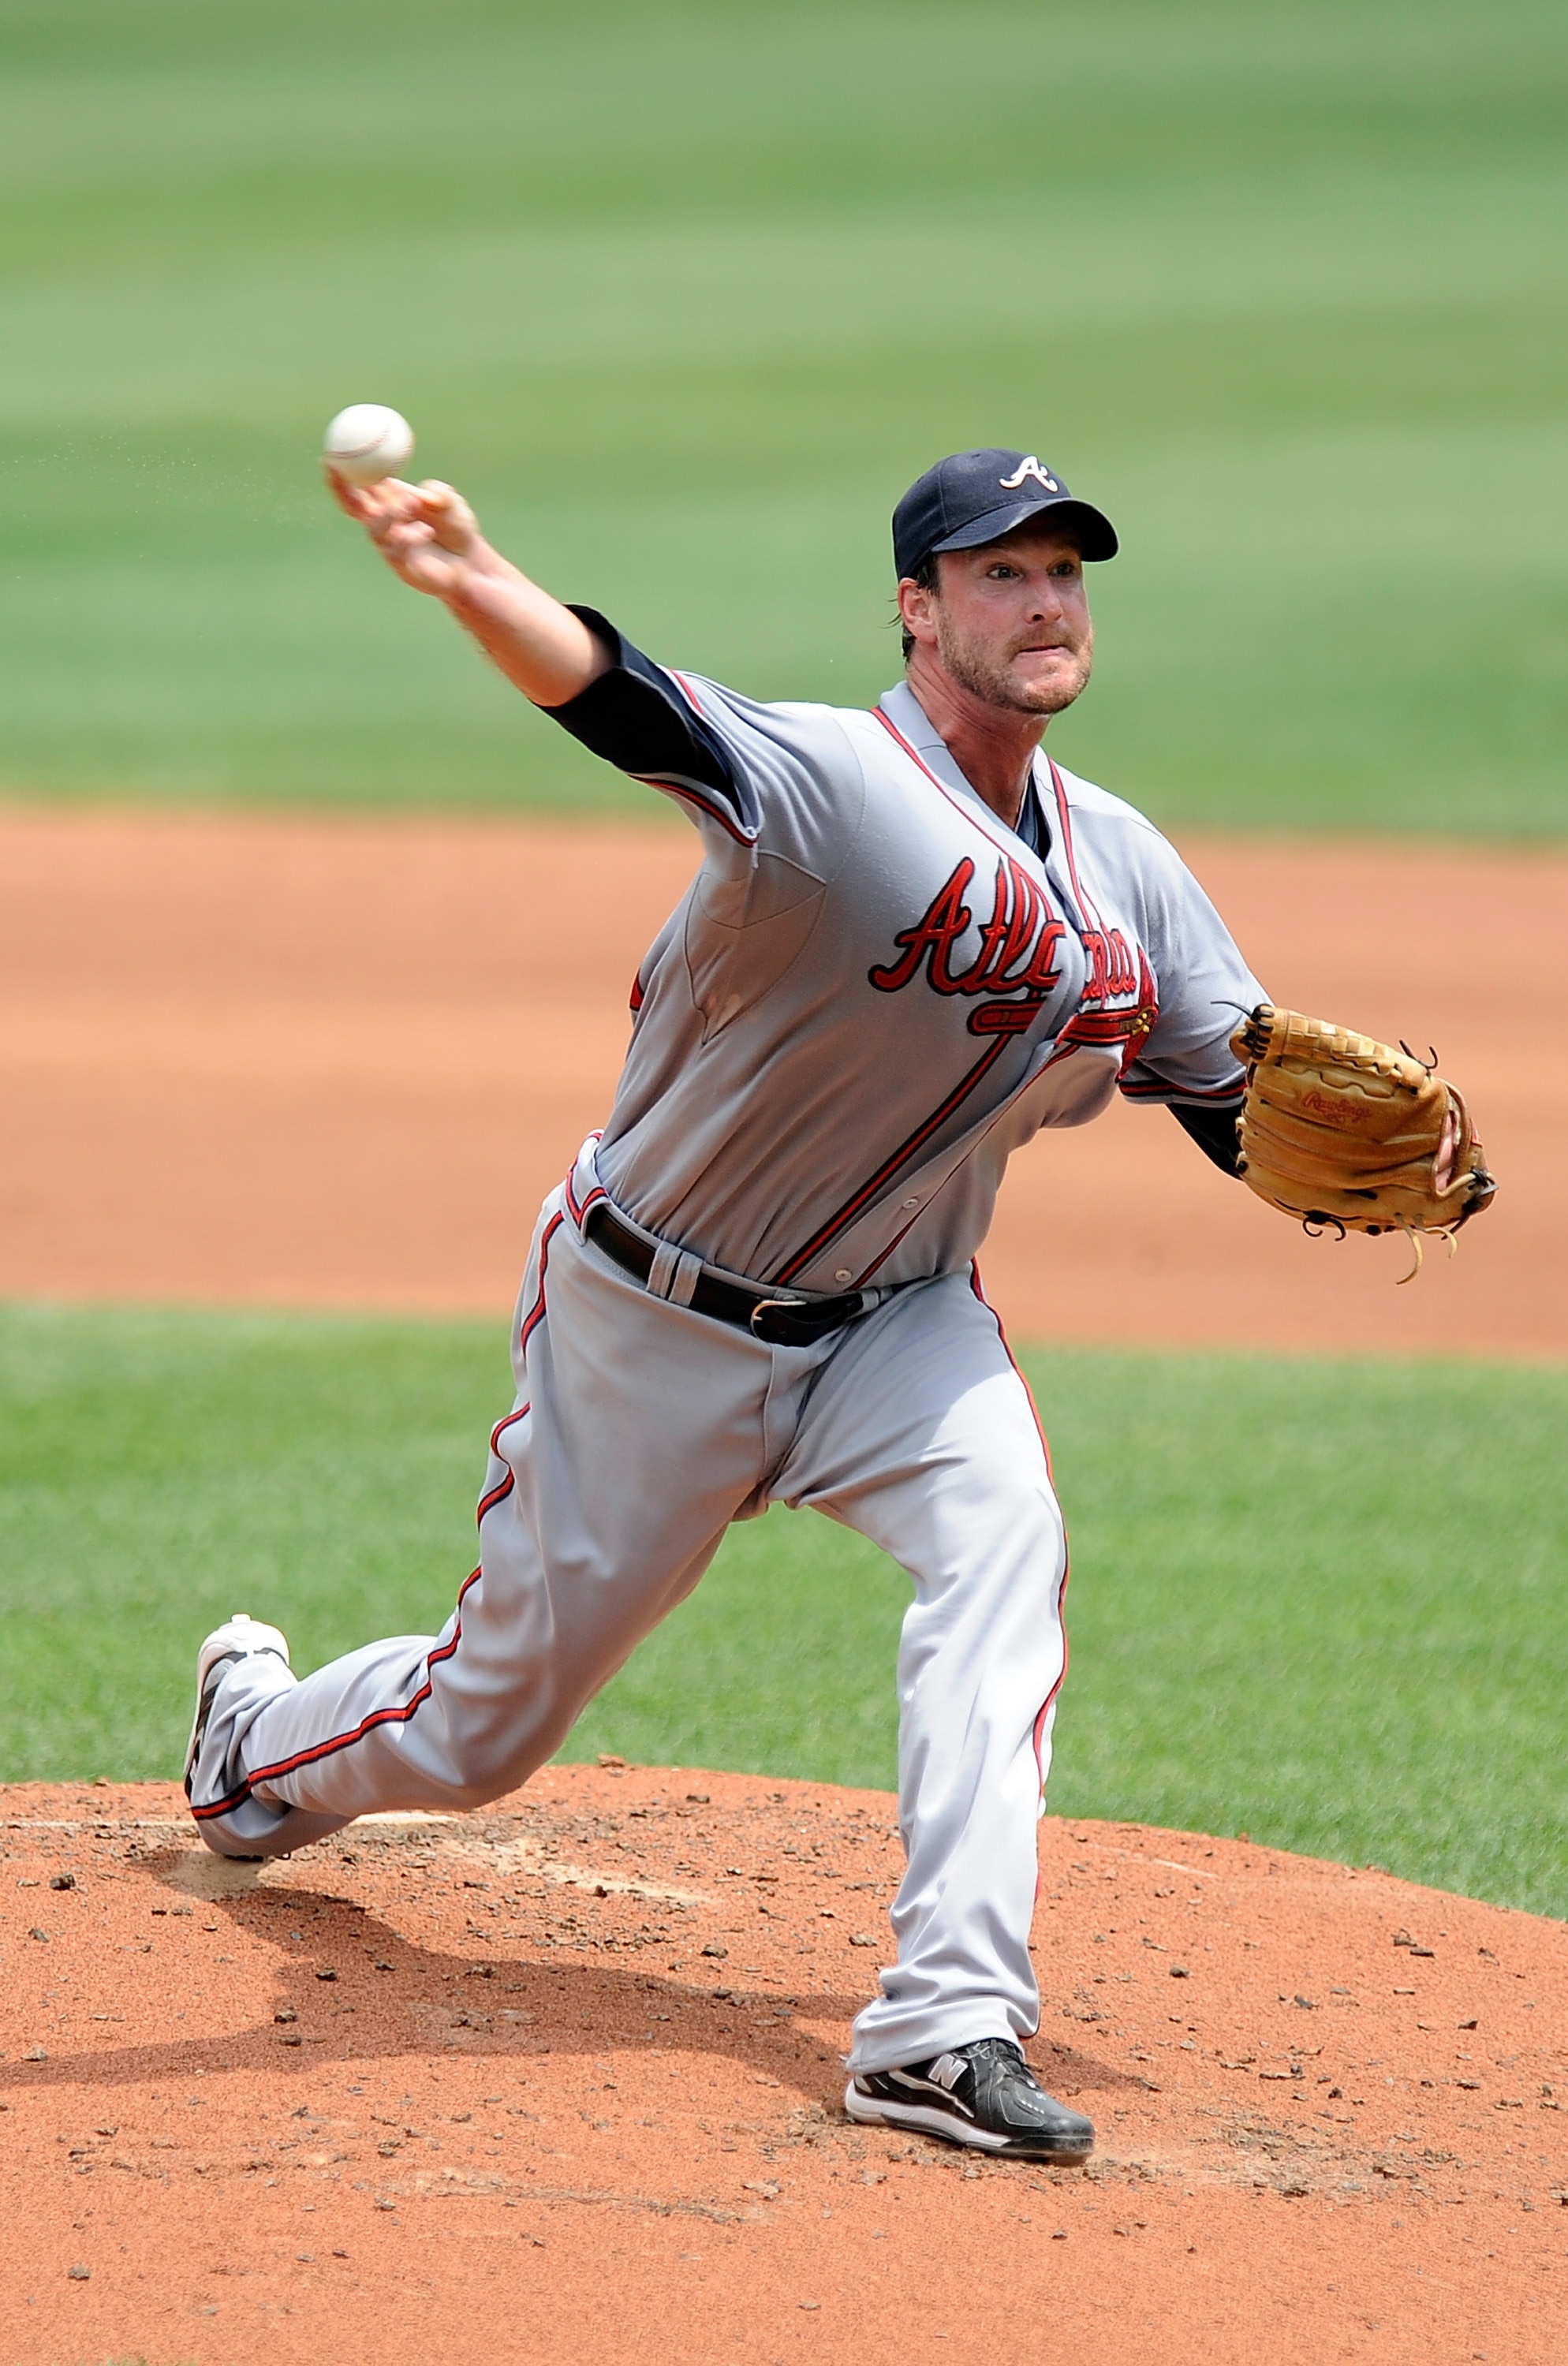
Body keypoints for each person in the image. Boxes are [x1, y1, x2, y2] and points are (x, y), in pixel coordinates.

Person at [185, 447, 1264, 2163]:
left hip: (903, 1326)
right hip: (656, 1317)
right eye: (1000, 573)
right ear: (918, 611)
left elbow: (1235, 1089)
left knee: (1005, 1553)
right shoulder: (837, 778)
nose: (1046, 600)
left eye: (1066, 571)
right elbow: (624, 706)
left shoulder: (1122, 864)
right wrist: (469, 574)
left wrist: (1386, 1165)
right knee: (483, 1731)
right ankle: (253, 1741)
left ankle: (941, 2029)